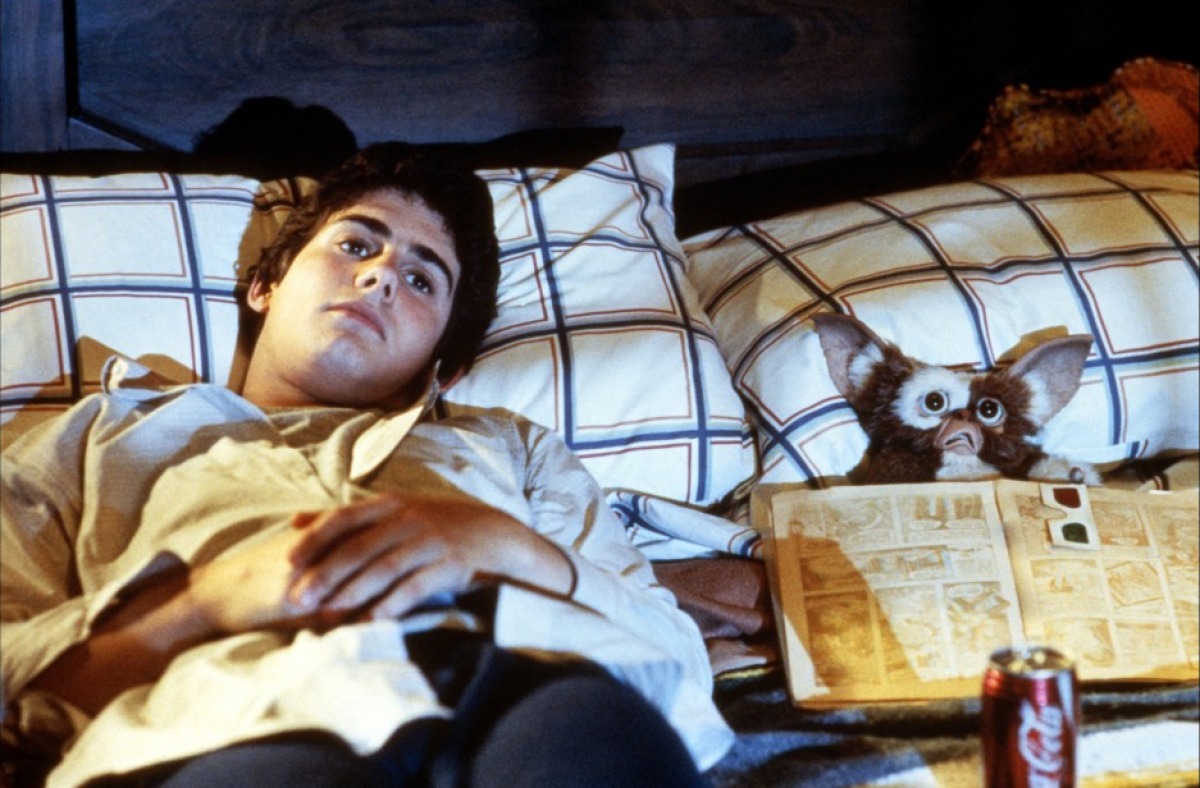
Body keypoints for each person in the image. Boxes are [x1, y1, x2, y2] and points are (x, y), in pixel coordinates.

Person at [0, 145, 732, 787]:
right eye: (356, 245)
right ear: (266, 286)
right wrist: (208, 602)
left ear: (445, 366)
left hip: (522, 678)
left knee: (591, 740)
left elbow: (678, 662)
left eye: (422, 280)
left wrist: (504, 547)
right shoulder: (103, 435)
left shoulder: (514, 446)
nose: (381, 275)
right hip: (235, 708)